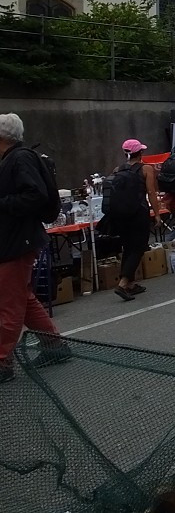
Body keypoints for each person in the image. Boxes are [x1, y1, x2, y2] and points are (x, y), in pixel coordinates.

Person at [0, 113, 68, 383]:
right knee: (20, 298)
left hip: (17, 240)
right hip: (17, 239)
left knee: (9, 302)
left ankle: (3, 361)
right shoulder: (15, 158)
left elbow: (34, 195)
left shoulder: (19, 159)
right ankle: (54, 345)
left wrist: (2, 203)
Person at [109, 139, 164, 302]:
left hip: (121, 215)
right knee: (138, 247)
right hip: (139, 213)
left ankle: (131, 282)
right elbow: (151, 193)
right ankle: (123, 282)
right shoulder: (146, 169)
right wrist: (158, 214)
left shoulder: (117, 170)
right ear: (140, 153)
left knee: (128, 247)